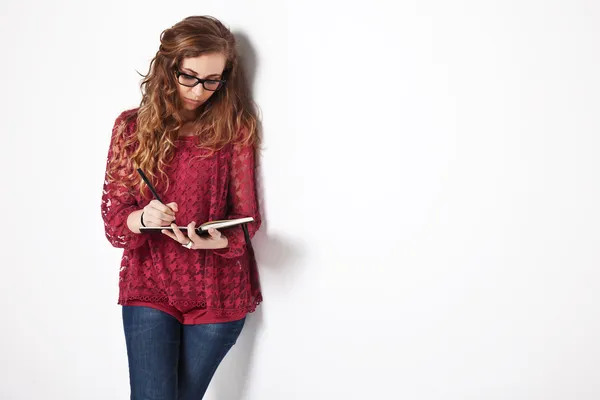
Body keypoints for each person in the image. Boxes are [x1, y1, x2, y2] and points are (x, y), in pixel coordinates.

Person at [100, 15, 262, 400]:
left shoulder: (233, 130)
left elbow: (247, 219)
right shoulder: (131, 128)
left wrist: (217, 241)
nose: (198, 89)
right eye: (189, 76)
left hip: (218, 291)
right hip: (150, 284)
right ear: (168, 67)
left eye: (211, 80)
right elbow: (114, 219)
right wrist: (143, 217)